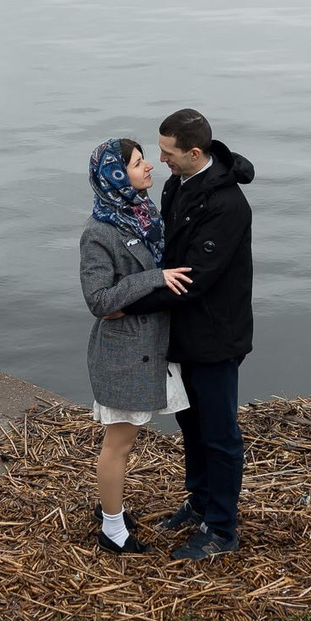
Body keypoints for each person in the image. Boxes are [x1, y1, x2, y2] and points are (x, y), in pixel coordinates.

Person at [142, 107, 254, 561]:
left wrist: (127, 302)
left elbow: (193, 277)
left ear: (194, 151)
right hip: (184, 330)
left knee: (220, 432)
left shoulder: (227, 205)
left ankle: (222, 528)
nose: (160, 159)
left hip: (216, 334)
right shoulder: (179, 184)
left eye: (168, 153)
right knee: (190, 420)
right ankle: (201, 500)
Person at [77, 138, 192, 554]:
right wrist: (154, 279)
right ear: (114, 176)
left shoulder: (142, 216)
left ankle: (110, 511)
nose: (150, 169)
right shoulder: (100, 233)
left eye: (145, 162)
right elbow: (98, 301)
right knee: (119, 443)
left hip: (150, 344)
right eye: (139, 164)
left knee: (124, 440)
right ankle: (112, 529)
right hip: (123, 354)